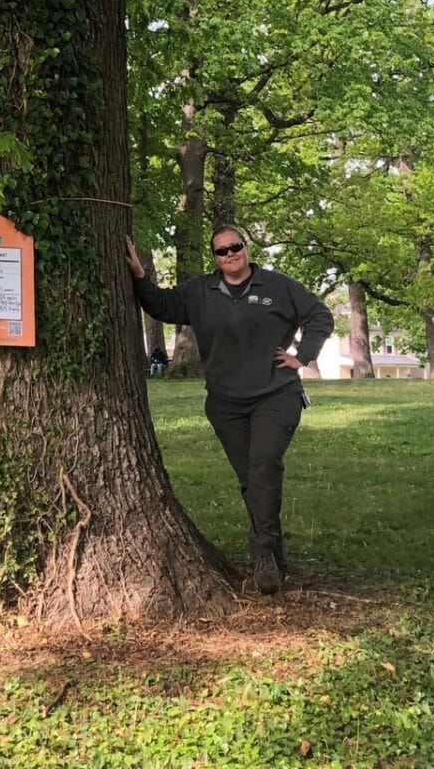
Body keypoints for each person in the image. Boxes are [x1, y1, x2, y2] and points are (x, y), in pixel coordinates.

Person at [124, 226, 333, 595]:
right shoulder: (200, 292)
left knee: (264, 463)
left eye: (235, 247)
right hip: (225, 404)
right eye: (221, 251)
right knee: (250, 479)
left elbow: (319, 316)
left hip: (276, 395)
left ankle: (264, 556)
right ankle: (274, 552)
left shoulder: (278, 286)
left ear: (246, 248)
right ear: (215, 257)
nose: (230, 254)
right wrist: (140, 276)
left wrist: (302, 356)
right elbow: (161, 305)